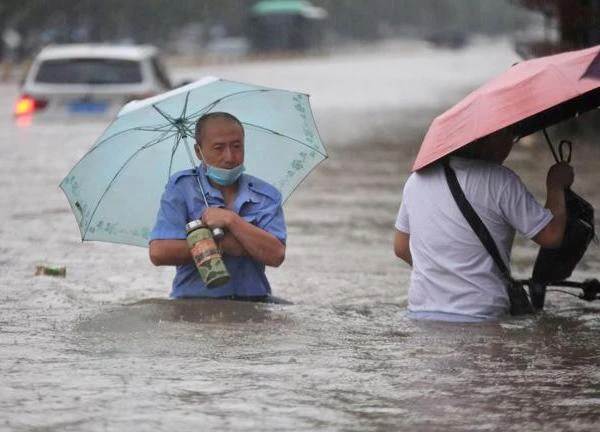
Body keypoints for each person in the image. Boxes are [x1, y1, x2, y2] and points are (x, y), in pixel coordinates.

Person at [393, 130, 574, 321]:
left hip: (421, 314)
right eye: (507, 137)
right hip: (480, 315)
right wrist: (556, 185)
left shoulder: (416, 180)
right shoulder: (500, 180)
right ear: (484, 140)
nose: (509, 146)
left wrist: (446, 271)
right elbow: (551, 235)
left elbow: (401, 247)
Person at [149, 112, 286, 300]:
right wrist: (223, 244)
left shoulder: (266, 195)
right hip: (193, 304)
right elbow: (159, 252)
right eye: (219, 148)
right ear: (199, 151)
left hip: (254, 303)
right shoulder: (181, 188)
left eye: (237, 146)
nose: (230, 157)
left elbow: (276, 254)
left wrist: (231, 220)